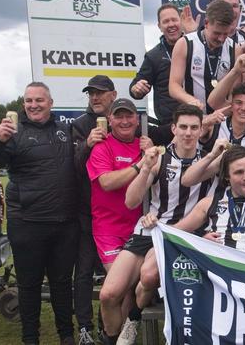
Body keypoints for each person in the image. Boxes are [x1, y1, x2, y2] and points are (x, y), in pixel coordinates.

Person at [98, 105, 210, 345]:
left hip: (182, 236)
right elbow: (131, 201)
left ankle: (132, 321)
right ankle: (112, 338)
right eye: (183, 127)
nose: (188, 133)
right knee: (108, 295)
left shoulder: (209, 161)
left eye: (193, 127)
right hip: (150, 229)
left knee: (147, 278)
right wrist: (145, 167)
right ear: (173, 129)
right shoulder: (159, 158)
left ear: (201, 130)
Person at [0, 82, 79, 345]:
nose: (33, 105)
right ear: (23, 104)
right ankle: (30, 338)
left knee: (60, 284)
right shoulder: (13, 133)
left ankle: (66, 335)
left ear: (51, 102)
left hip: (63, 224)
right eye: (28, 100)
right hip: (27, 224)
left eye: (39, 100)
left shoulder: (65, 130)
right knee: (29, 285)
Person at [145, 146, 245, 258]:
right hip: (218, 277)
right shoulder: (208, 203)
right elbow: (174, 232)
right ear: (227, 176)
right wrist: (201, 240)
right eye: (239, 172)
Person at [87, 98, 149, 345]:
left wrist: (149, 155)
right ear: (109, 120)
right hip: (108, 229)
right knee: (114, 290)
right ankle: (113, 338)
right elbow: (107, 182)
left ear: (137, 119)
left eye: (129, 116)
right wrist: (140, 166)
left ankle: (122, 338)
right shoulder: (102, 147)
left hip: (139, 230)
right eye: (119, 117)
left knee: (132, 289)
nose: (124, 121)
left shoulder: (145, 146)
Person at [71, 75, 116, 344]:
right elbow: (72, 167)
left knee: (114, 276)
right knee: (85, 273)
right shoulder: (79, 125)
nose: (95, 97)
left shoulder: (124, 122)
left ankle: (107, 326)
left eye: (100, 93)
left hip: (117, 216)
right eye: (91, 94)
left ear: (112, 94)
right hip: (88, 213)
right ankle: (85, 329)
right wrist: (86, 145)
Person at [169, 0, 240, 113]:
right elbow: (174, 86)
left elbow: (234, 94)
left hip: (222, 118)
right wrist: (191, 101)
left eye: (225, 34)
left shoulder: (235, 49)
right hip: (193, 117)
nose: (221, 39)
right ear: (206, 23)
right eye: (216, 33)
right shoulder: (185, 44)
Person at [129, 4, 182, 130]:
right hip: (169, 125)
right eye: (166, 21)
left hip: (199, 120)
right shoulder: (154, 56)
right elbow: (135, 87)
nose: (171, 24)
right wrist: (136, 89)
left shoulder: (195, 46)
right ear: (159, 26)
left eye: (174, 20)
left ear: (181, 21)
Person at [200, 83, 245, 151]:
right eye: (239, 103)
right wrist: (205, 122)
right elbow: (191, 136)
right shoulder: (215, 125)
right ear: (231, 106)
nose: (243, 108)